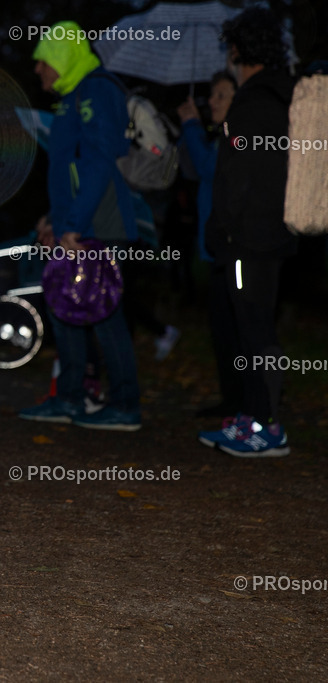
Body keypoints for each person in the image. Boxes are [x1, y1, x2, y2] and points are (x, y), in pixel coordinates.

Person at [18, 21, 142, 431]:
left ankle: (125, 405)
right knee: (64, 306)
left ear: (62, 56)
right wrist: (53, 220)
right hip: (75, 223)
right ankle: (70, 398)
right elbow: (67, 168)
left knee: (104, 313)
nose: (38, 69)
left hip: (98, 223)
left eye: (43, 60)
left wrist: (74, 225)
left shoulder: (97, 90)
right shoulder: (72, 96)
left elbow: (99, 162)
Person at [198, 8, 295, 457]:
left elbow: (243, 177)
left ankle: (264, 426)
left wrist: (226, 230)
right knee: (255, 328)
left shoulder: (254, 103)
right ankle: (254, 417)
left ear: (238, 48)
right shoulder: (279, 95)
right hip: (269, 234)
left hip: (250, 239)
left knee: (254, 331)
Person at [178, 72, 238, 417]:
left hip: (232, 251)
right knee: (222, 331)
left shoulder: (237, 137)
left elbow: (206, 168)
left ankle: (247, 404)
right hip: (214, 249)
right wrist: (190, 129)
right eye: (211, 95)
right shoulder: (220, 136)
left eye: (221, 95)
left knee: (237, 330)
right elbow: (190, 169)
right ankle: (232, 401)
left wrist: (191, 125)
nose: (212, 102)